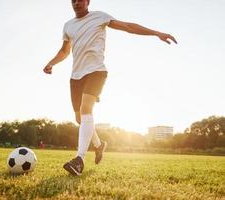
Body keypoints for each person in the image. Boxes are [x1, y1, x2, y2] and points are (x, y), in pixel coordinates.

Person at [43, 0, 177, 176]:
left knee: (86, 110)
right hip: (76, 76)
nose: (77, 3)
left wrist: (156, 33)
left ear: (88, 1)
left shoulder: (100, 17)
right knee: (81, 119)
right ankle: (99, 145)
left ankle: (79, 160)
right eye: (73, 0)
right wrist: (51, 63)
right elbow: (64, 51)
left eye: (80, 0)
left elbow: (128, 26)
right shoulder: (68, 26)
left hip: (97, 71)